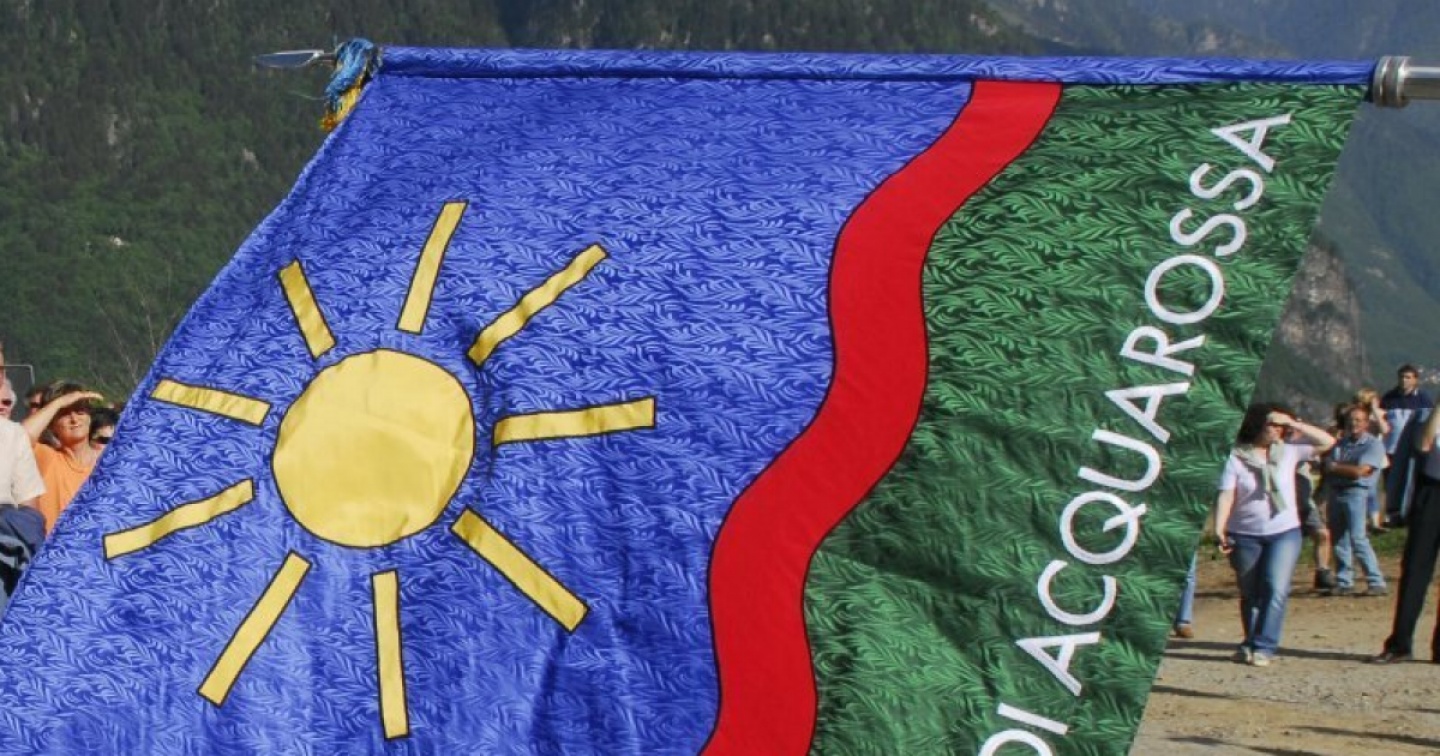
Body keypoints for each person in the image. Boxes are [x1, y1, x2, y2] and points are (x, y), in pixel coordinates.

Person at [1214, 403, 1336, 667]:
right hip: (1244, 533)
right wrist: (1219, 528)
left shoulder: (1289, 452)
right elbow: (1227, 495)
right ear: (1257, 425)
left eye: (1281, 426)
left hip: (1284, 532)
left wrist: (1294, 424)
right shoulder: (1235, 458)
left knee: (1276, 587)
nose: (1278, 430)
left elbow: (1327, 442)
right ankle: (1250, 641)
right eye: (1273, 424)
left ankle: (1264, 645)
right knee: (1250, 592)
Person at [1375, 403, 1440, 663]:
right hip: (1432, 491)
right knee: (1415, 569)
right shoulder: (1428, 416)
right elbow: (1424, 445)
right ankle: (1400, 644)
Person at [21, 381, 104, 534]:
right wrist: (59, 403)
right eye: (64, 413)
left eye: (80, 411)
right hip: (57, 547)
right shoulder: (47, 458)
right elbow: (18, 438)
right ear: (51, 425)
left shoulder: (108, 463)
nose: (74, 419)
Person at [1323, 403, 1388, 597]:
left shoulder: (1373, 445)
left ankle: (1376, 581)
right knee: (1338, 539)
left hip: (1356, 493)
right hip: (1336, 492)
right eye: (1350, 420)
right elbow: (1326, 466)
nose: (1354, 424)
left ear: (1367, 423)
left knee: (1358, 538)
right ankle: (1344, 582)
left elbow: (1360, 472)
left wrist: (1335, 468)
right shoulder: (1341, 444)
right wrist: (1342, 468)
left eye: (1359, 420)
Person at [1381, 365, 1434, 526]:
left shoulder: (1423, 399)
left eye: (1408, 377)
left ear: (1415, 379)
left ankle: (1411, 512)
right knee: (1391, 482)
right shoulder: (1389, 398)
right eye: (1402, 377)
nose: (1404, 380)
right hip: (1391, 448)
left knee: (1411, 481)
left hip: (1412, 449)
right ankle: (1393, 514)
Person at [1353, 387, 1392, 532]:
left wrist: (1374, 411)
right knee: (1361, 489)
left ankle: (1374, 521)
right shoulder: (1354, 416)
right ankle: (1363, 521)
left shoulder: (1379, 415)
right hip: (1358, 455)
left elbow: (1385, 430)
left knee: (1371, 489)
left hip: (1375, 456)